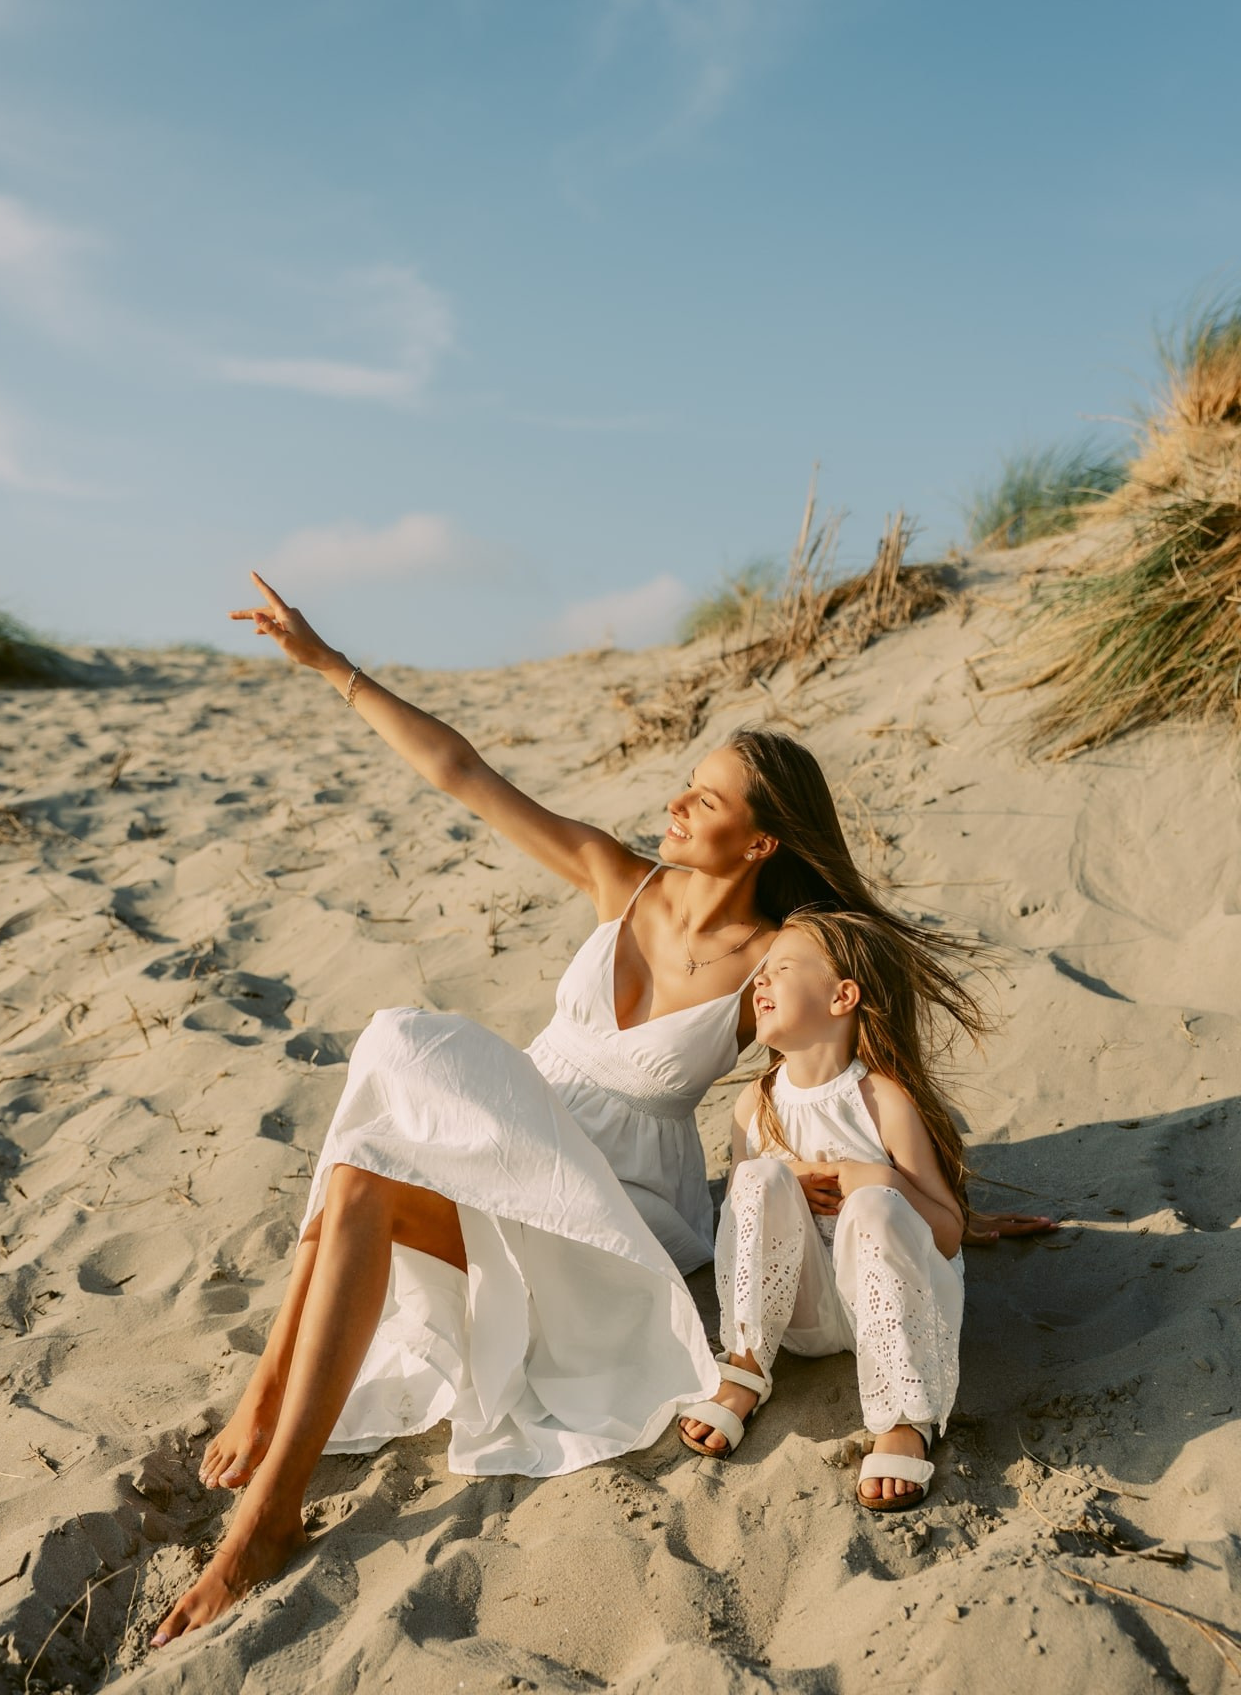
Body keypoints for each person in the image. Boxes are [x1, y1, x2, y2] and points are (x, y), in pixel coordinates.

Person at [152, 574, 1049, 1645]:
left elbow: (859, 1063)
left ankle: (263, 1511)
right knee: (368, 1145)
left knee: (392, 1076)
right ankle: (269, 1424)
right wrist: (330, 664)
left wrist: (941, 1201)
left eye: (703, 801)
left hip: (611, 1200)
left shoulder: (781, 954)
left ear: (759, 842)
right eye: (683, 787)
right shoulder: (614, 879)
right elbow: (462, 774)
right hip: (509, 1134)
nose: (672, 806)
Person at [678, 907, 979, 1511]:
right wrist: (782, 1176)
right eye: (759, 972)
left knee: (872, 1206)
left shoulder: (881, 1099)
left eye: (780, 968)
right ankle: (744, 1367)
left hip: (893, 1315)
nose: (758, 981)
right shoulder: (754, 1105)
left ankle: (901, 1415)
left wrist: (883, 1179)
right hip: (802, 1315)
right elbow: (744, 1225)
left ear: (842, 996)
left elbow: (947, 1233)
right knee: (757, 1177)